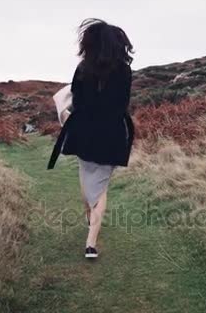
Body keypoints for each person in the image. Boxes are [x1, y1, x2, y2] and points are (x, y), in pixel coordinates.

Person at [47, 18, 135, 259]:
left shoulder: (83, 68)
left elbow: (77, 101)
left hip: (84, 133)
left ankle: (91, 242)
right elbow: (121, 105)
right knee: (92, 190)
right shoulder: (124, 70)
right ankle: (92, 224)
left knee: (94, 188)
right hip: (112, 135)